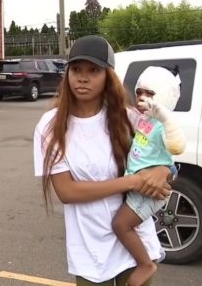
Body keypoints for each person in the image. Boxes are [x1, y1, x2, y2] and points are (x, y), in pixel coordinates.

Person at [33, 35, 174, 286]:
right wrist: (132, 181)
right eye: (76, 69)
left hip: (134, 244)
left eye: (94, 70)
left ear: (108, 75)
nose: (83, 77)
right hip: (90, 250)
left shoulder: (128, 118)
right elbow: (66, 191)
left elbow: (165, 152)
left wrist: (163, 170)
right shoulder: (51, 126)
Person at [112, 66, 186, 286]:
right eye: (139, 92)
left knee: (121, 225)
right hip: (138, 187)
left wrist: (164, 116)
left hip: (148, 191)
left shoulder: (163, 125)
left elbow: (177, 148)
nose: (142, 98)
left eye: (150, 94)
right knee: (127, 226)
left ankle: (146, 264)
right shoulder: (144, 120)